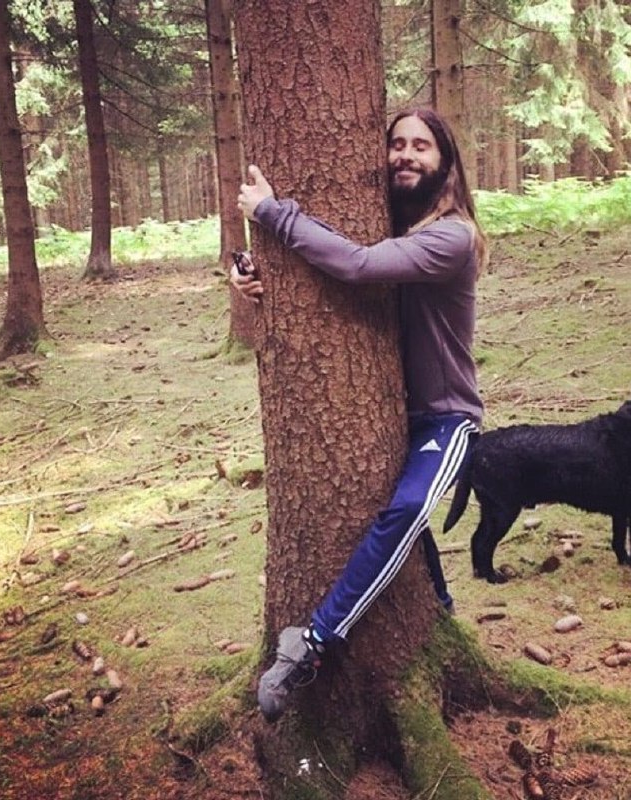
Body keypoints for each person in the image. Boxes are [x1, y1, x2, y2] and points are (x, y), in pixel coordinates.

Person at [232, 108, 487, 723]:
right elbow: (338, 258)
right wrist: (250, 277)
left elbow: (359, 265)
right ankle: (442, 611)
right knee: (404, 521)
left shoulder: (451, 236)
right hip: (393, 416)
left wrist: (272, 213)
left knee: (407, 512)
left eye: (421, 146)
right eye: (396, 144)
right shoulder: (395, 226)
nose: (405, 155)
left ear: (445, 162)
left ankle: (313, 642)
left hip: (445, 418)